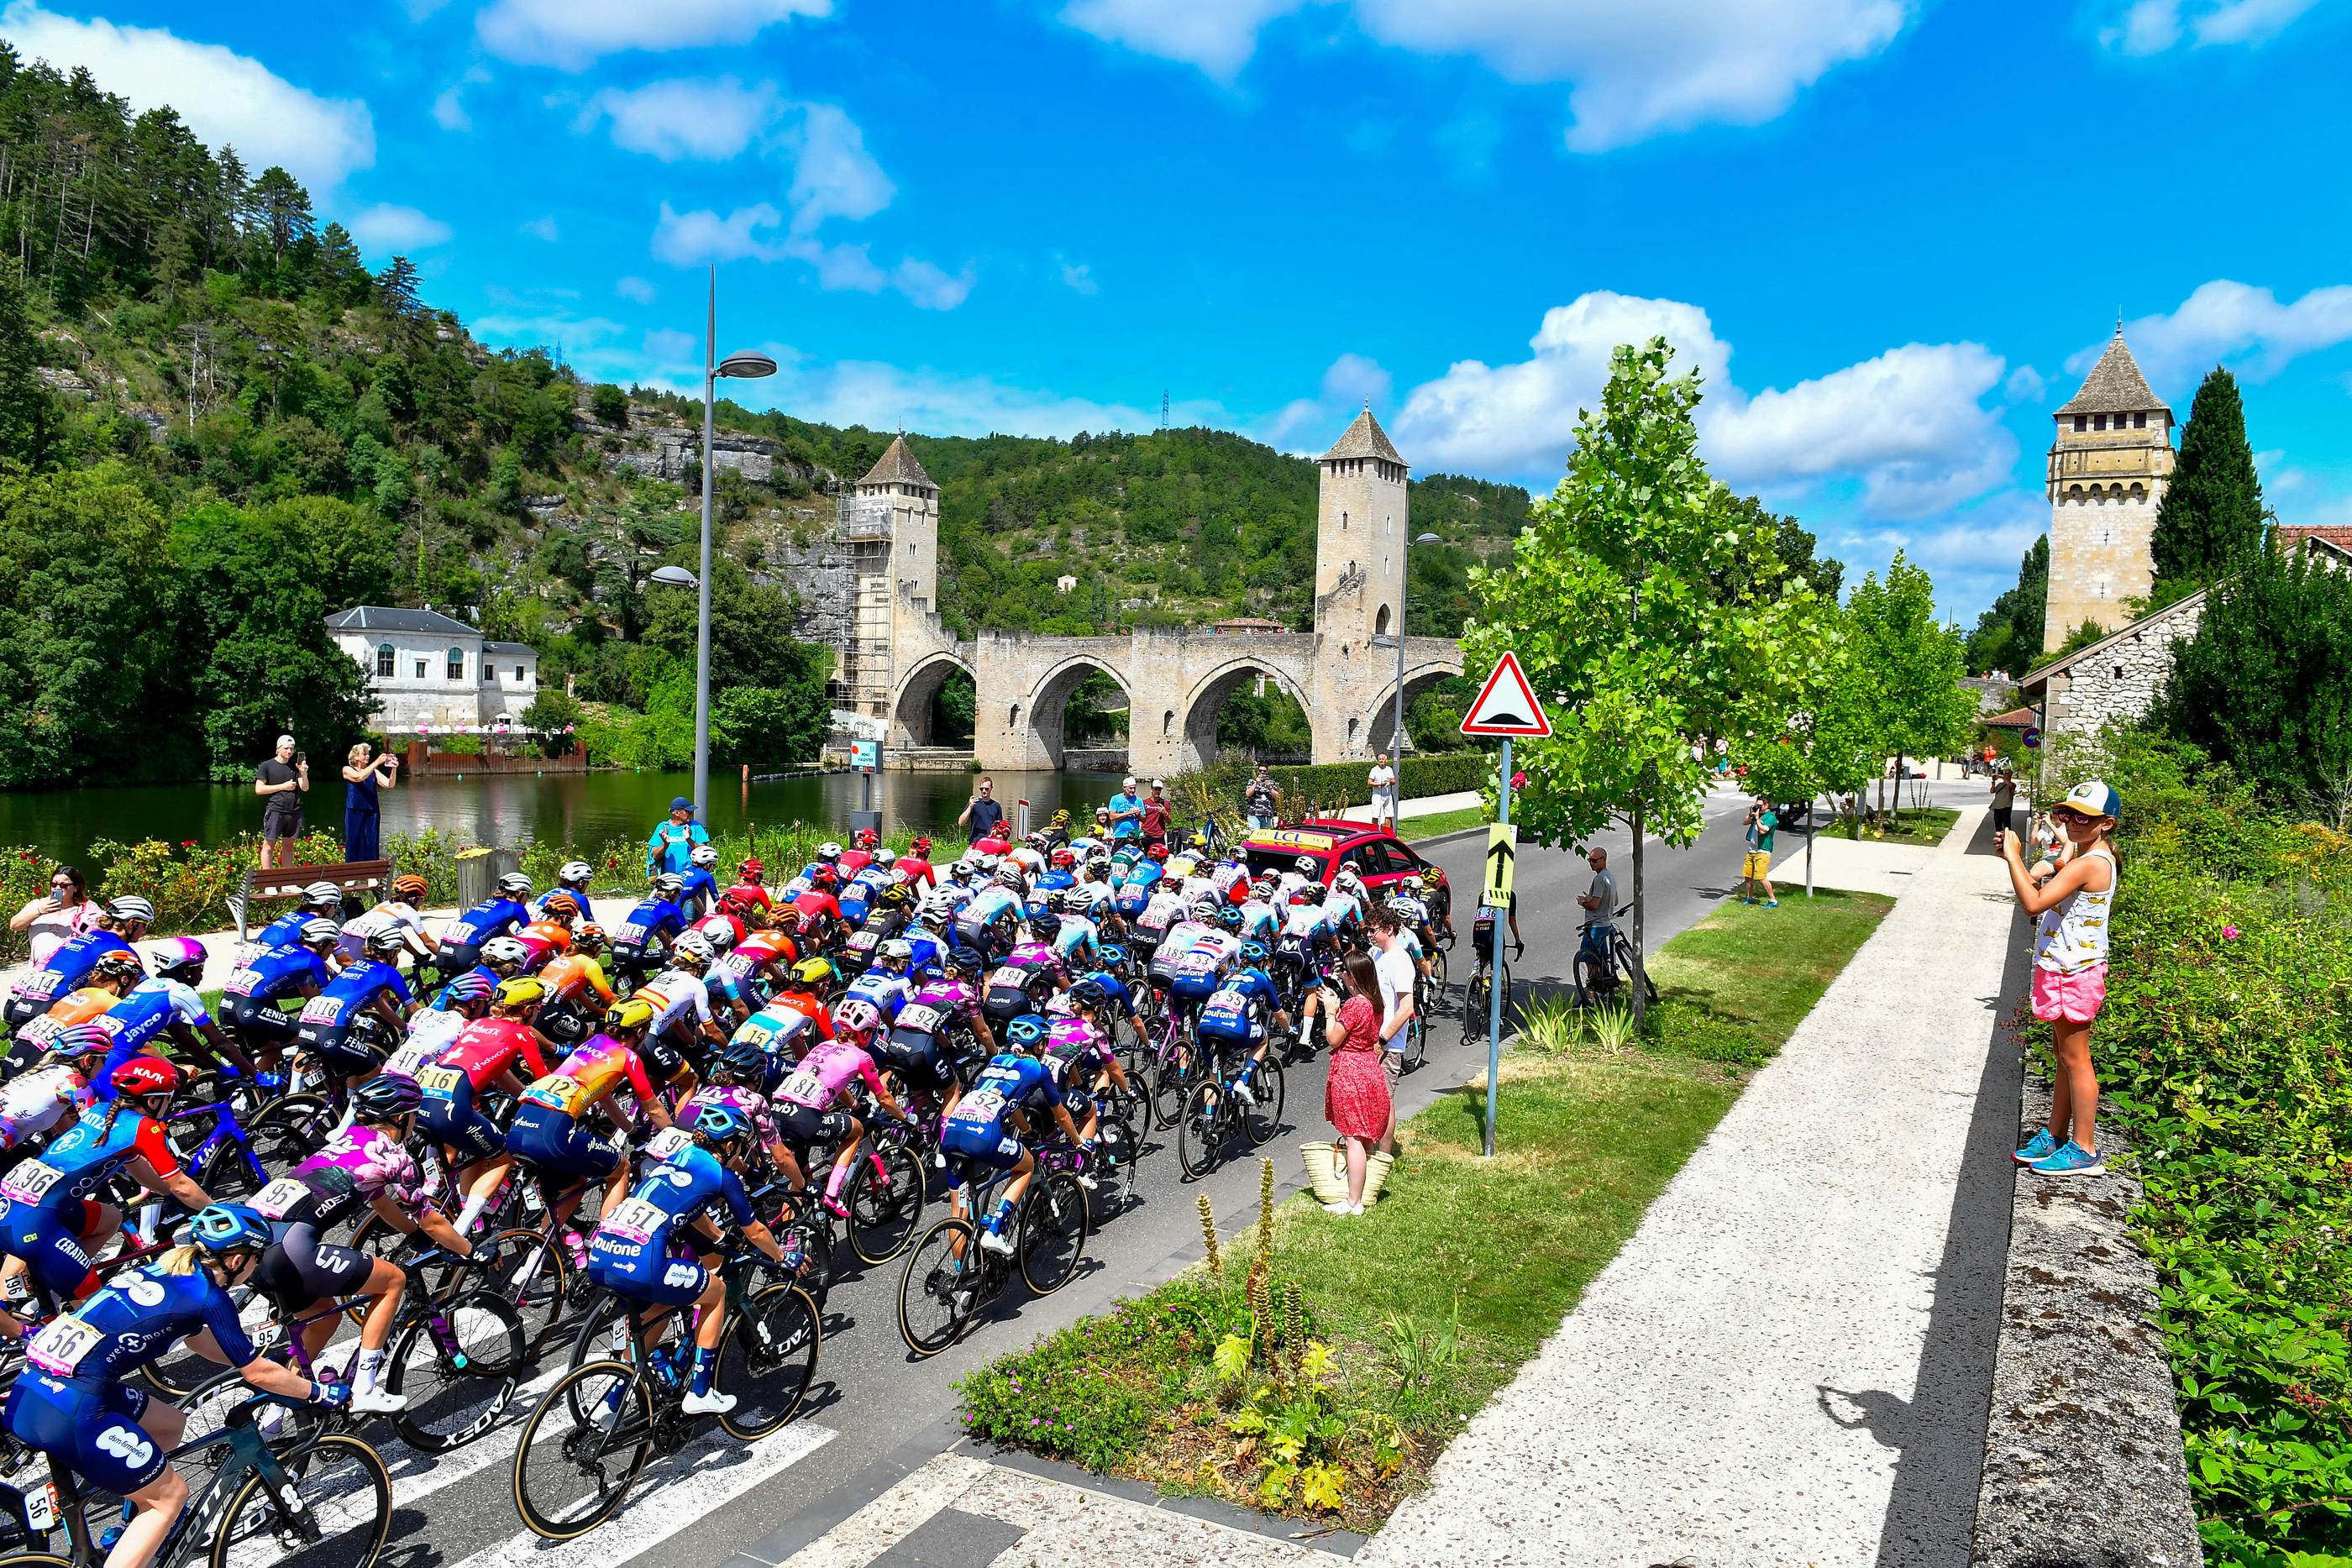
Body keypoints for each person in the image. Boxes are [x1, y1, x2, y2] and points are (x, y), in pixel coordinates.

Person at [6, 1204, 344, 1568]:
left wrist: (263, 1363)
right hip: (73, 1407)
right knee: (169, 1498)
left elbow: (199, 1341)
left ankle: (131, 1531)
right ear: (235, 1261)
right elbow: (257, 1375)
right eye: (256, 1258)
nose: (257, 1267)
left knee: (169, 1426)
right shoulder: (208, 1295)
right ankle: (149, 1517)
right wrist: (319, 1393)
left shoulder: (164, 1269)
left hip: (36, 1390)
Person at [2001, 780, 2121, 1178]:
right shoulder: (2086, 856)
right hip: (2063, 967)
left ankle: (2084, 1149)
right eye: (2066, 814)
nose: (2071, 822)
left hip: (2075, 972)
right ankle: (2054, 1135)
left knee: (2076, 1060)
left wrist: (2014, 858)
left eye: (2083, 817)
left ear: (2106, 824)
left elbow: (2033, 903)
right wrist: (2038, 865)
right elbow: (2053, 870)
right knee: (2063, 1059)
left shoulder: (2092, 863)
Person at [1305, 952, 1389, 1216]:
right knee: (1365, 1136)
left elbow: (1334, 1038)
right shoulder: (1375, 1003)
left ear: (1353, 976)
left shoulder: (1355, 1005)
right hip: (1369, 1069)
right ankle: (1366, 1190)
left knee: (1353, 1137)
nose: (1341, 975)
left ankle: (1354, 1202)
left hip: (1350, 1072)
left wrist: (1331, 1011)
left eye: (1345, 972)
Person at [1365, 905, 1418, 1155]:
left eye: (1373, 930)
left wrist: (1383, 1039)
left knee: (1384, 1101)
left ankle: (1382, 1158)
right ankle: (1370, 1153)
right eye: (1367, 930)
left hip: (1387, 1044)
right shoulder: (1377, 956)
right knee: (1369, 1100)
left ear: (1389, 929)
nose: (1369, 935)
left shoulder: (1400, 960)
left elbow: (1406, 1008)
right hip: (1371, 1040)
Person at [10, 865, 100, 968]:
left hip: (71, 970)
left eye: (63, 886)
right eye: (54, 884)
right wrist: (40, 911)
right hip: (38, 971)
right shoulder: (37, 905)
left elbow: (101, 935)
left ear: (76, 887)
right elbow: (14, 926)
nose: (57, 889)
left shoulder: (86, 908)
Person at [254, 735, 308, 869]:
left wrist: (303, 774)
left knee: (289, 847)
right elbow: (259, 789)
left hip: (294, 810)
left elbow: (305, 788)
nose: (289, 752)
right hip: (276, 810)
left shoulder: (295, 766)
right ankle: (268, 882)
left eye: (291, 749)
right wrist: (283, 786)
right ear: (278, 749)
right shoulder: (267, 765)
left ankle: (287, 882)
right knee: (269, 846)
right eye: (286, 749)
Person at [341, 742, 398, 862]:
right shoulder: (347, 769)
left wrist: (394, 769)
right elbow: (359, 777)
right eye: (364, 754)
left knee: (371, 841)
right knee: (353, 840)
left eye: (368, 754)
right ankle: (351, 873)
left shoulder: (374, 771)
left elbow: (389, 784)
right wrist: (377, 762)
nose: (367, 756)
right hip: (354, 810)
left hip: (372, 810)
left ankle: (372, 874)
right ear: (356, 756)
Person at [1573, 846, 1617, 987]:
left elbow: (1594, 905)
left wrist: (1584, 902)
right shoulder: (1610, 876)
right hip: (1605, 925)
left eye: (1594, 860)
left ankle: (1592, 996)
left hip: (1595, 927)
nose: (1591, 863)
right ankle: (1603, 991)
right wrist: (1591, 897)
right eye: (1589, 860)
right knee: (1601, 960)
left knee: (1590, 960)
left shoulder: (1599, 879)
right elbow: (1614, 900)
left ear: (1604, 859)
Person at [644, 797, 708, 879]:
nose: (691, 814)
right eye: (688, 811)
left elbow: (704, 852)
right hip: (669, 878)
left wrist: (689, 839)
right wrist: (665, 844)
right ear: (677, 813)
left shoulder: (696, 826)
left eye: (691, 811)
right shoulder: (663, 827)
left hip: (691, 876)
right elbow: (655, 856)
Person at [1741, 799, 1779, 907]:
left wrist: (1757, 819)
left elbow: (1763, 830)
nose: (1757, 807)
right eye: (1756, 805)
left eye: (1759, 805)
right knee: (1748, 875)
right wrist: (1751, 814)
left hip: (1763, 851)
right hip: (1752, 850)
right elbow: (1744, 822)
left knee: (1761, 877)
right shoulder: (1756, 814)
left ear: (1766, 805)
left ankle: (1773, 900)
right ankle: (1749, 898)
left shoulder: (1771, 817)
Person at [959, 777, 1005, 842]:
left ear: (991, 788)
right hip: (976, 842)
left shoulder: (996, 806)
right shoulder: (974, 803)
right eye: (981, 789)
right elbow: (961, 823)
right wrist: (970, 807)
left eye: (986, 789)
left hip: (991, 842)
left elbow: (1000, 828)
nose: (984, 791)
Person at [1243, 763, 1281, 831]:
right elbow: (1248, 794)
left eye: (1264, 771)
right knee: (1255, 835)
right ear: (1258, 771)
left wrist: (1270, 787)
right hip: (1254, 813)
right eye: (1260, 770)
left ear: (1267, 772)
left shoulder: (1272, 783)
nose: (1262, 772)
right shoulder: (1252, 782)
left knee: (1265, 836)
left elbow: (1277, 797)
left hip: (1267, 814)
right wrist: (1256, 783)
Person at [1368, 753, 1398, 829]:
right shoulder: (1374, 770)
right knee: (1376, 814)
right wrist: (1380, 784)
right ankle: (1374, 830)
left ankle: (1387, 830)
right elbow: (1369, 782)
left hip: (1387, 794)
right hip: (1377, 795)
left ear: (1386, 760)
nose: (1381, 761)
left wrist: (1390, 781)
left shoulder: (1389, 769)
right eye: (1380, 759)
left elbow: (1394, 781)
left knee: (1389, 813)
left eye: (1383, 759)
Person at [1141, 780, 1171, 851]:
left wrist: (1165, 813)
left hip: (1159, 836)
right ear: (1151, 789)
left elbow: (1169, 821)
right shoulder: (1144, 802)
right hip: (1146, 835)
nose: (1157, 791)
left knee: (1159, 858)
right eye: (1156, 789)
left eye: (1159, 789)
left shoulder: (1165, 803)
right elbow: (1141, 819)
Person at [1989, 768, 2017, 843]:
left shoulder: (2012, 784)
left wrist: (2001, 777)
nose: (2005, 775)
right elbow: (1992, 791)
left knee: (2006, 824)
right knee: (1997, 823)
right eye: (2005, 773)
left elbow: (2010, 785)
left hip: (2006, 807)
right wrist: (1993, 785)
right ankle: (1999, 839)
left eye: (2007, 773)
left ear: (2010, 775)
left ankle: (2008, 839)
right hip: (1997, 806)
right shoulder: (2000, 785)